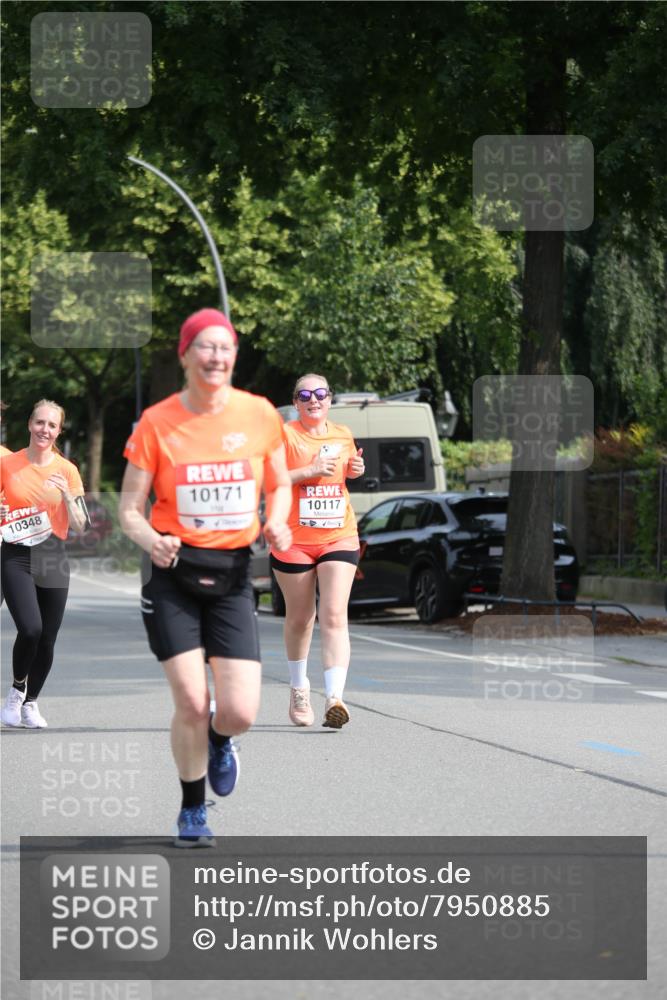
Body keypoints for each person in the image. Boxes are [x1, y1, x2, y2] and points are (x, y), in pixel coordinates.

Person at [119, 308, 291, 848]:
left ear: (233, 357)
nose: (215, 357)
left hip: (234, 576)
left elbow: (280, 485)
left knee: (238, 710)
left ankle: (221, 740)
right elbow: (129, 509)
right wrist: (153, 540)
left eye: (225, 348)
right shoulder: (157, 423)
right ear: (185, 354)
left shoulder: (260, 414)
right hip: (174, 576)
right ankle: (193, 810)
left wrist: (279, 520)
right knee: (192, 701)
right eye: (205, 347)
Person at [270, 374, 365, 729]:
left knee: (334, 614)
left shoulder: (342, 434)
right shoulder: (285, 434)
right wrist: (308, 470)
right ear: (296, 402)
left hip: (339, 534)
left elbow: (345, 475)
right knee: (300, 618)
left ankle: (334, 698)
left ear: (330, 399)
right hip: (293, 539)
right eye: (306, 394)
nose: (314, 399)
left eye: (321, 393)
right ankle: (299, 687)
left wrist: (355, 469)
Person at [0, 400, 87, 728]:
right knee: (30, 628)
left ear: (58, 431)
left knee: (48, 637)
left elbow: (80, 524)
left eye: (51, 425)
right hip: (16, 554)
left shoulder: (67, 470)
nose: (44, 430)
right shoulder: (8, 464)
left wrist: (67, 496)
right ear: (29, 424)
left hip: (52, 555)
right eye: (39, 423)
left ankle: (30, 704)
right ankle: (16, 689)